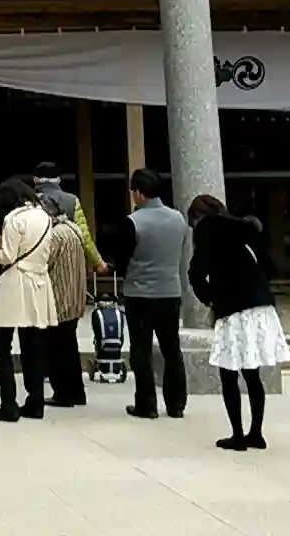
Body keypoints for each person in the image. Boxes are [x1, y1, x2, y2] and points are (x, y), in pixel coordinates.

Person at [187, 194, 290, 452]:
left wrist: (210, 297)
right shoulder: (245, 227)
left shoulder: (206, 229)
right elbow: (269, 265)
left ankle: (237, 434)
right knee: (252, 373)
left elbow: (196, 272)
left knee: (229, 373)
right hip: (259, 303)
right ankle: (256, 433)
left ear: (197, 217)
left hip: (231, 305)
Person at [117, 169, 188, 419]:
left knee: (141, 351)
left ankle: (146, 404)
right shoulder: (178, 219)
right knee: (172, 349)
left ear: (139, 193)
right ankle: (176, 404)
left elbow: (122, 261)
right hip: (170, 291)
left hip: (140, 294)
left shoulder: (133, 222)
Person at [0, 176, 54, 422]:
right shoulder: (44, 216)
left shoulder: (13, 219)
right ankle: (36, 401)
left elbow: (7, 255)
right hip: (39, 281)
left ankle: (8, 403)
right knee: (32, 345)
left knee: (2, 345)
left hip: (15, 284)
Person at [41, 208, 89, 407]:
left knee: (56, 348)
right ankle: (77, 392)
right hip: (75, 297)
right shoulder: (73, 229)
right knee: (70, 346)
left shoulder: (54, 235)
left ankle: (62, 393)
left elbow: (43, 262)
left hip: (59, 298)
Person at [32, 161, 108, 275]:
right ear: (58, 180)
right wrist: (98, 262)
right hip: (65, 265)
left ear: (35, 180)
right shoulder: (72, 201)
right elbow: (84, 236)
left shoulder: (26, 202)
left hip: (36, 264)